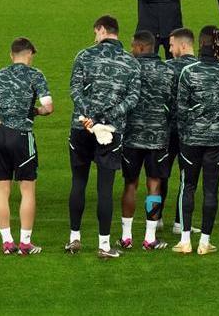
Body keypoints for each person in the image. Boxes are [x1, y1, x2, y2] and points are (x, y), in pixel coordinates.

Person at [65, 15, 141, 260]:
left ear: (101, 30)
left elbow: (74, 90)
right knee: (105, 188)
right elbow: (132, 99)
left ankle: (74, 238)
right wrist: (107, 117)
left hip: (81, 128)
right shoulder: (131, 62)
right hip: (111, 131)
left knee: (78, 181)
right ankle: (104, 244)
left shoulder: (84, 56)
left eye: (95, 32)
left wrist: (90, 116)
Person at [0, 37, 52, 254]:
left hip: (1, 134)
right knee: (27, 189)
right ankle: (25, 242)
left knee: (2, 189)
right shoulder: (35, 75)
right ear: (30, 54)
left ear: (12, 55)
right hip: (23, 136)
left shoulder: (0, 74)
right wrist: (36, 111)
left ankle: (6, 242)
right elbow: (48, 107)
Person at [173, 25, 219, 255]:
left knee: (187, 186)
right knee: (211, 189)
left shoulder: (188, 72)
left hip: (191, 138)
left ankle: (185, 240)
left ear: (201, 43)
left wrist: (186, 132)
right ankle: (205, 241)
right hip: (215, 138)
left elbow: (181, 108)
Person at [120, 30, 176, 251]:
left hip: (131, 136)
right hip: (158, 136)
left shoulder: (128, 69)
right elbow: (173, 103)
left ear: (141, 47)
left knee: (130, 184)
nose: (131, 50)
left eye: (133, 46)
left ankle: (126, 237)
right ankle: (150, 237)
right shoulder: (168, 70)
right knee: (154, 184)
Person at [162, 28, 199, 235]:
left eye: (171, 45)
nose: (169, 49)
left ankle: (155, 218)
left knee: (158, 177)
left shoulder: (166, 67)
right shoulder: (200, 68)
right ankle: (180, 223)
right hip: (189, 133)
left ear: (183, 45)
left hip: (165, 131)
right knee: (187, 179)